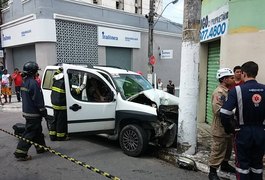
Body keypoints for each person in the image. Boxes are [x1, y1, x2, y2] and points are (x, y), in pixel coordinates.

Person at [220, 61, 265, 180]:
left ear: (244, 74)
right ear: (256, 73)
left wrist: (230, 129)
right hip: (261, 132)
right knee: (257, 164)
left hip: (243, 132)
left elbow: (224, 113)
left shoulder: (237, 90)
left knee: (242, 166)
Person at [14, 61, 47, 161]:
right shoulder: (33, 83)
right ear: (33, 72)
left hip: (28, 112)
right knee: (29, 133)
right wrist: (44, 112)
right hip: (34, 113)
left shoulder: (25, 82)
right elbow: (38, 100)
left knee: (37, 131)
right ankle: (20, 153)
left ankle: (41, 148)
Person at [208, 68, 236, 180]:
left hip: (228, 125)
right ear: (224, 79)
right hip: (220, 127)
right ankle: (212, 171)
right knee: (218, 149)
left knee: (228, 148)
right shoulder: (219, 92)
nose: (233, 80)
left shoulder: (227, 91)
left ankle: (224, 165)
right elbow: (217, 110)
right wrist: (232, 112)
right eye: (231, 78)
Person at [50, 67, 69, 141]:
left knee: (55, 120)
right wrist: (78, 90)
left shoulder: (55, 79)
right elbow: (71, 92)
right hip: (61, 105)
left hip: (54, 103)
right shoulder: (65, 83)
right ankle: (60, 137)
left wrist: (61, 68)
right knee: (61, 122)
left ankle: (52, 136)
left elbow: (56, 74)